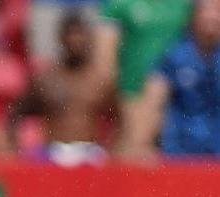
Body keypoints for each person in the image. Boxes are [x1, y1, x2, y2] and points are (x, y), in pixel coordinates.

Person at [13, 11, 115, 165]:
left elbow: (118, 119)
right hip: (52, 153)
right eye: (71, 35)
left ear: (89, 39)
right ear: (61, 38)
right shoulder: (45, 80)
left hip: (89, 153)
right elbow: (17, 114)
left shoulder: (100, 82)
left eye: (80, 35)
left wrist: (109, 148)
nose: (75, 41)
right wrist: (16, 147)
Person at [96, 0, 193, 157]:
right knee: (134, 148)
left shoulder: (183, 6)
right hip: (133, 92)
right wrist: (115, 96)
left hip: (175, 98)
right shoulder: (121, 5)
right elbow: (105, 56)